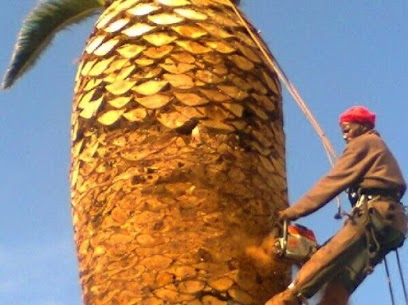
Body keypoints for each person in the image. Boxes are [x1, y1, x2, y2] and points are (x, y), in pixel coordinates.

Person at [266, 106, 407, 305]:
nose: (345, 136)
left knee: (327, 256)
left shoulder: (363, 143)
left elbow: (332, 183)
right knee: (343, 278)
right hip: (394, 224)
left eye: (347, 129)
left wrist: (291, 213)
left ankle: (287, 299)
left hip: (377, 214)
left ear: (362, 126)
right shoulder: (377, 146)